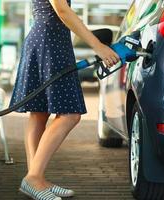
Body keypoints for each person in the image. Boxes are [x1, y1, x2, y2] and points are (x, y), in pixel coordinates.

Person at [9, 0, 120, 199]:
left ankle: (36, 179)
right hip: (50, 43)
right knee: (70, 114)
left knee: (39, 114)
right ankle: (33, 178)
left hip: (50, 40)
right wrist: (98, 46)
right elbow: (62, 10)